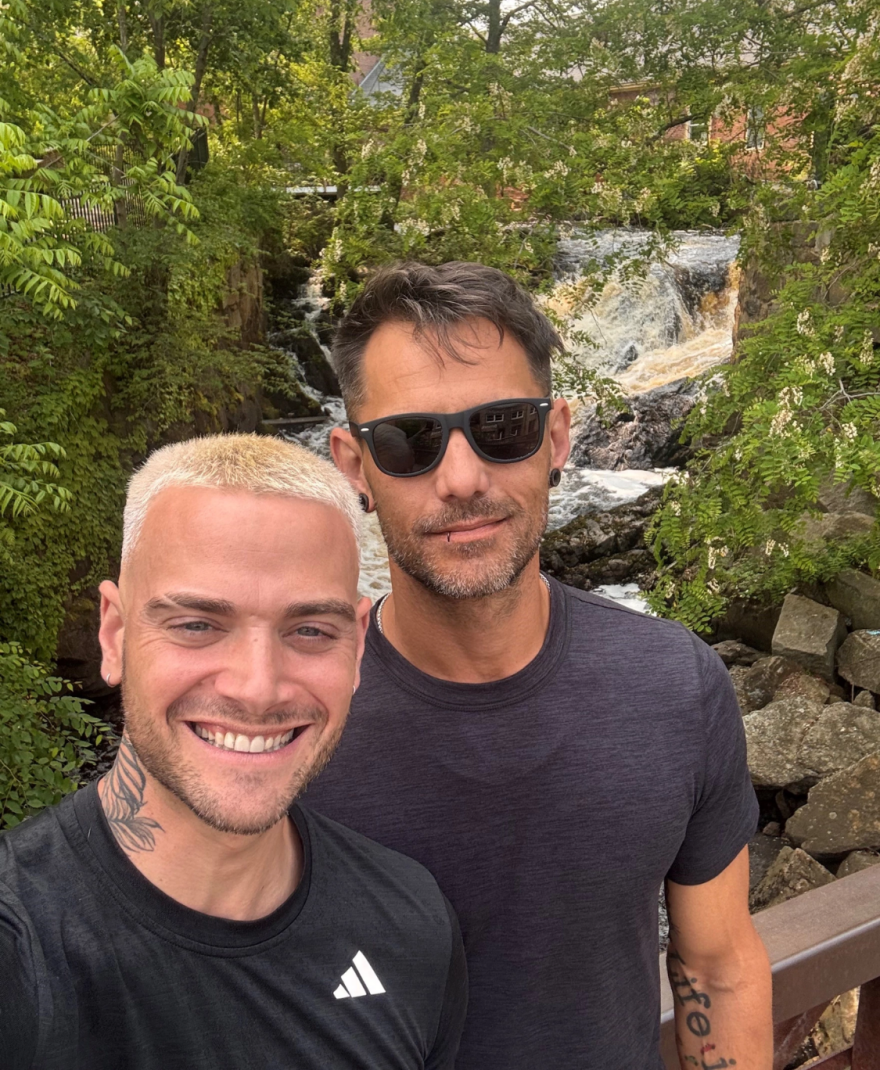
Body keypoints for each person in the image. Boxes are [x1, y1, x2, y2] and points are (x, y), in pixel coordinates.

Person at [300, 262, 773, 1070]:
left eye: (503, 428)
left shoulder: (675, 688)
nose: (462, 479)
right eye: (410, 440)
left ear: (556, 438)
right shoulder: (290, 723)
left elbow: (717, 966)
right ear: (354, 466)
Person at [0, 434, 466, 1070]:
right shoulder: (19, 949)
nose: (257, 687)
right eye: (196, 625)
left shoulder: (410, 922)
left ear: (356, 648)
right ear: (113, 634)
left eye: (309, 630)